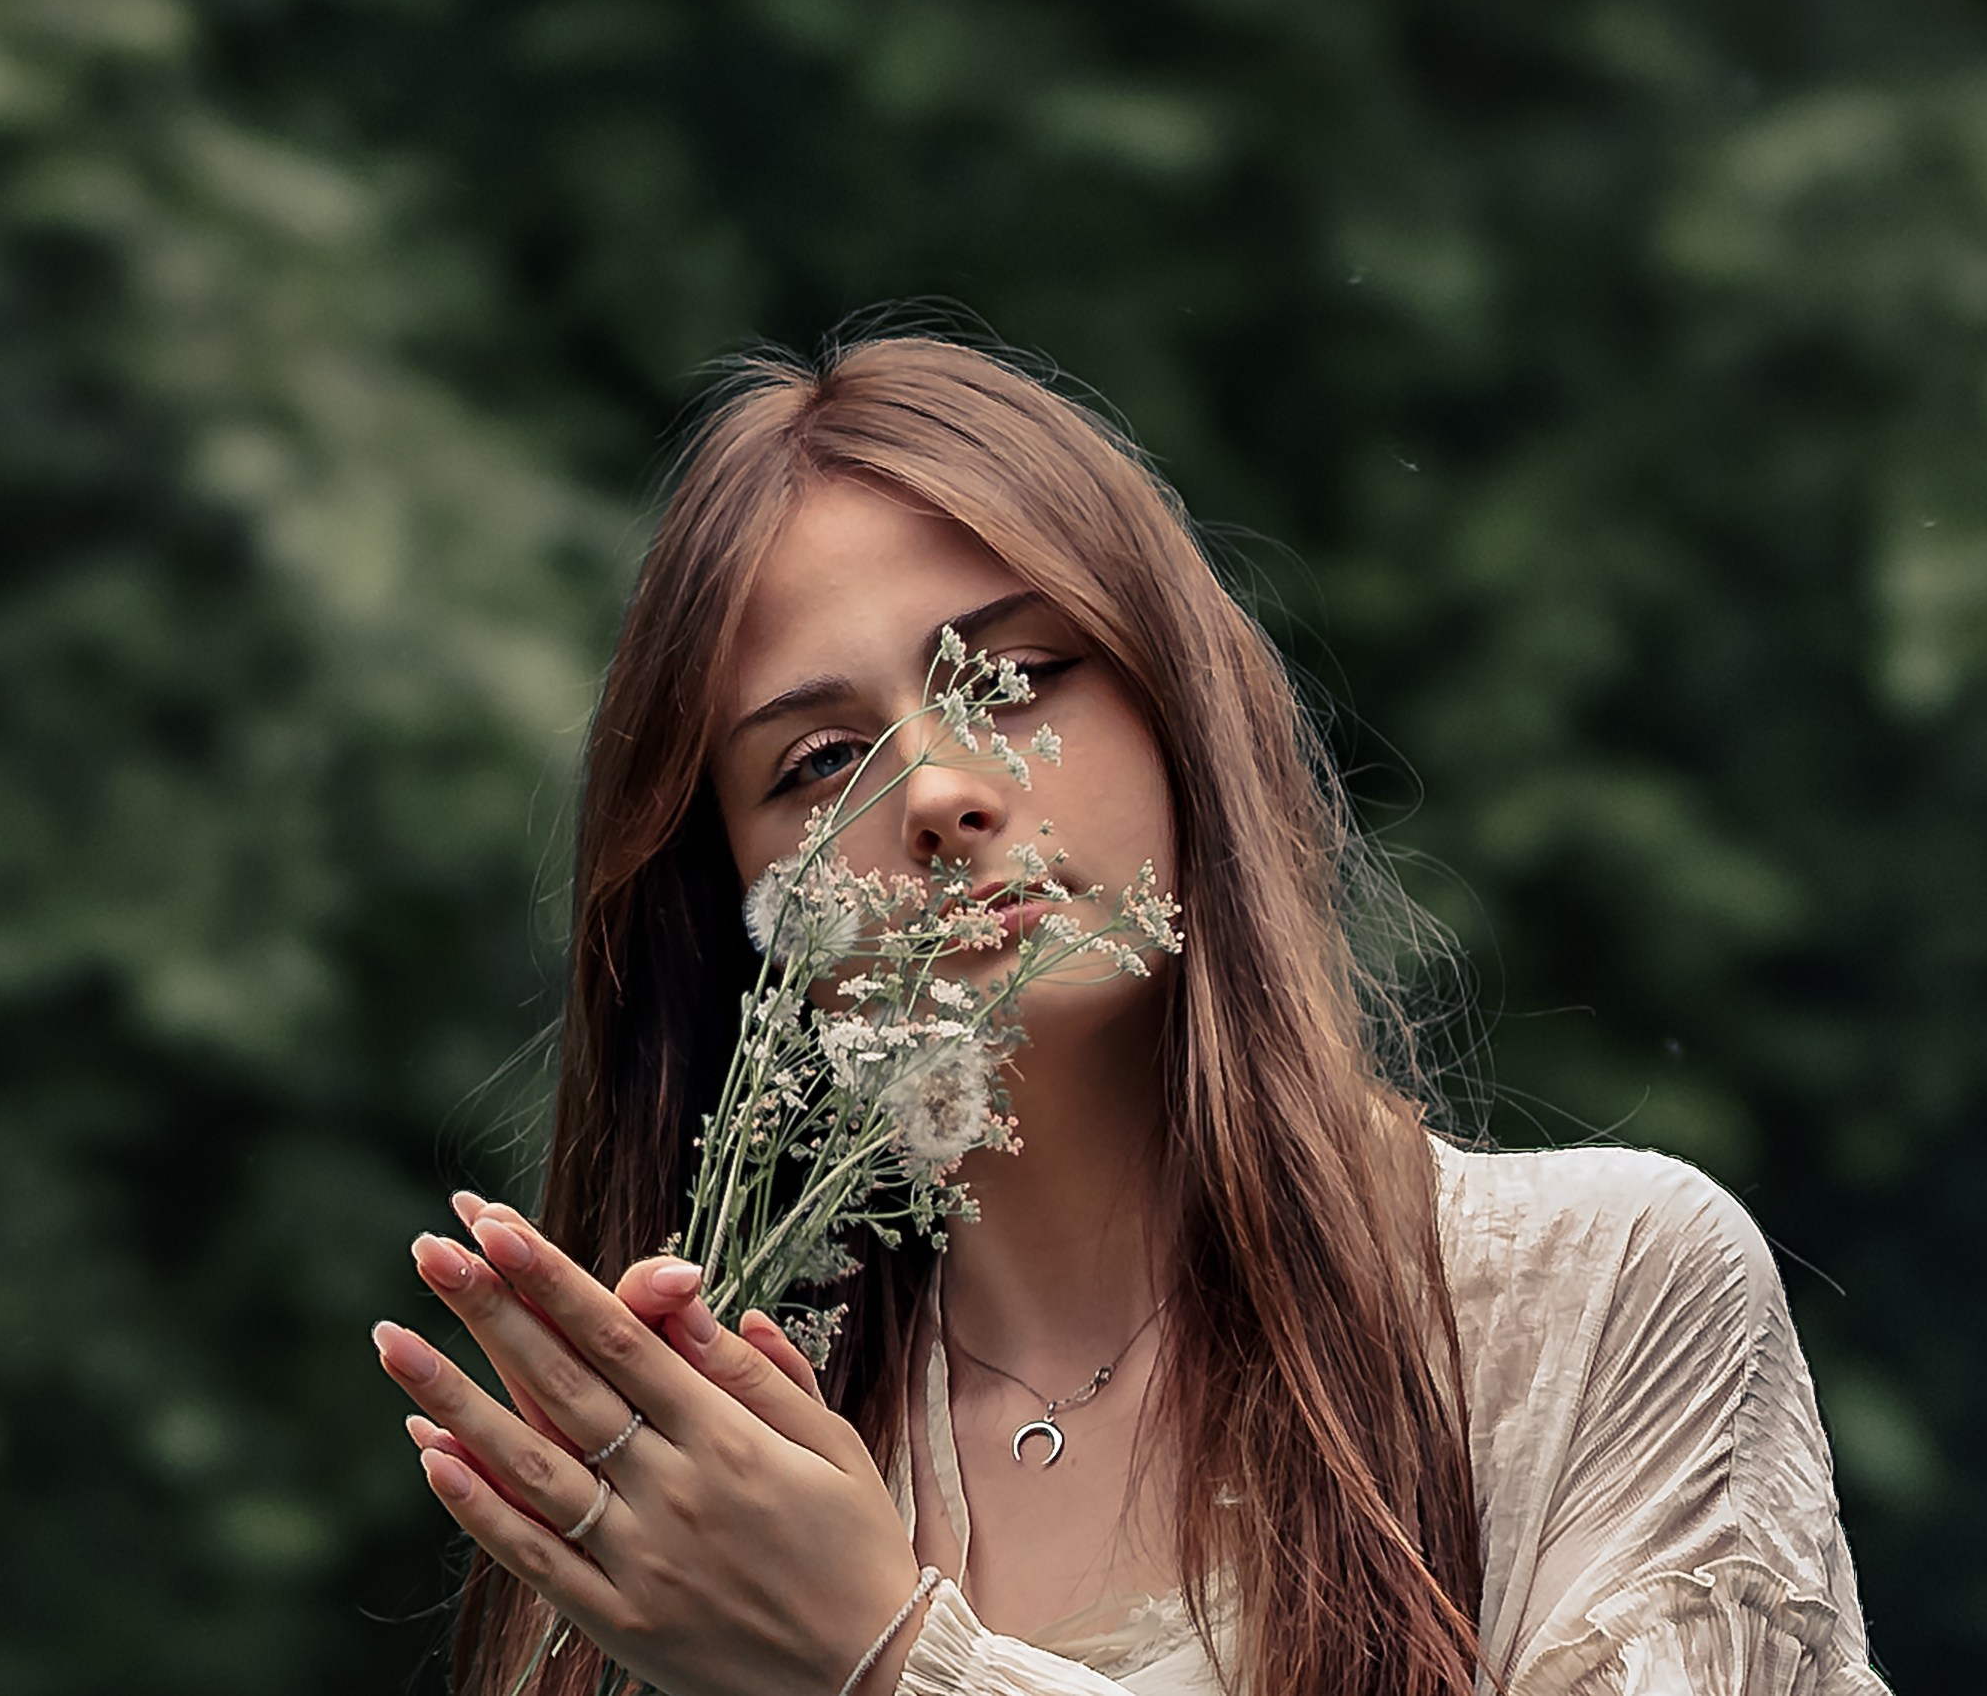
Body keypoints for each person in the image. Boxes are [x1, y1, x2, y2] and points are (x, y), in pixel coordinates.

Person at [372, 334, 1892, 1696]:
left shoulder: (1597, 1299)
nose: (944, 792)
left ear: (1179, 701)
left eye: (1021, 675)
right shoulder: (698, 1501)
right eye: (821, 763)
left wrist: (893, 1661)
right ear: (736, 906)